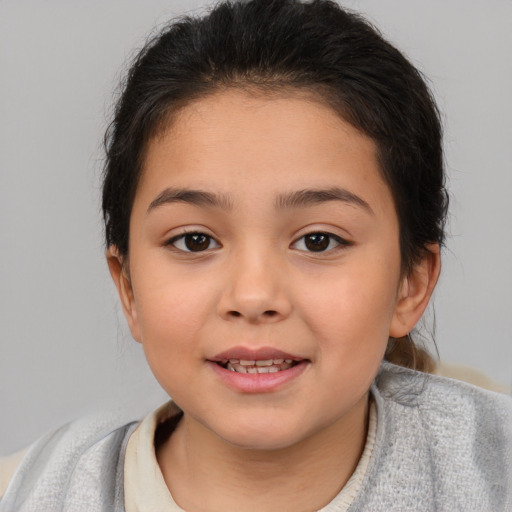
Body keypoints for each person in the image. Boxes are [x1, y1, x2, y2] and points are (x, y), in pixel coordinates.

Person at [1, 0, 511, 510]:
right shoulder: (28, 494)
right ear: (128, 286)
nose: (253, 296)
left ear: (412, 283)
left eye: (318, 240)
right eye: (195, 240)